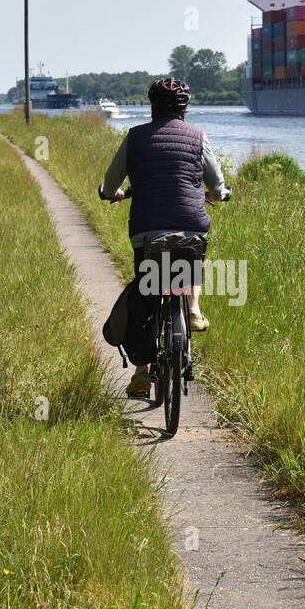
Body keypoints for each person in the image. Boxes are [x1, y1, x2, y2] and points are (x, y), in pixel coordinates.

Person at [100, 77, 230, 398]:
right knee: (190, 257)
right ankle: (194, 308)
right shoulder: (199, 137)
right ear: (185, 108)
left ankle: (142, 372)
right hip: (190, 225)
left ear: (152, 106)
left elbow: (109, 183)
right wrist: (220, 195)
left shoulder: (135, 137)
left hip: (147, 229)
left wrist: (113, 194)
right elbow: (216, 185)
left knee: (148, 287)